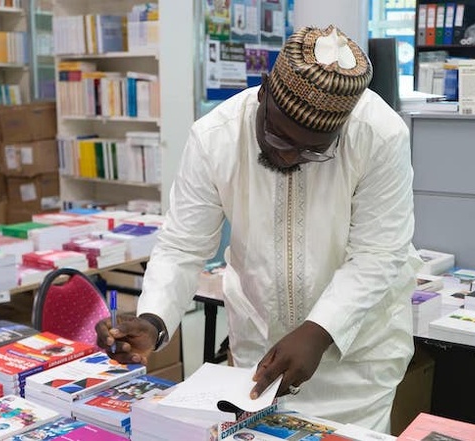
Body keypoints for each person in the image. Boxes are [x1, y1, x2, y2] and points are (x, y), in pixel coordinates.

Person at [96, 25, 421, 432]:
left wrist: (319, 332)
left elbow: (379, 253)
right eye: (277, 136)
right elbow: (182, 246)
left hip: (355, 364)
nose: (287, 157)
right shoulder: (215, 137)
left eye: (311, 151)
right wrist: (155, 319)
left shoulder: (380, 136)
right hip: (258, 358)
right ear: (263, 90)